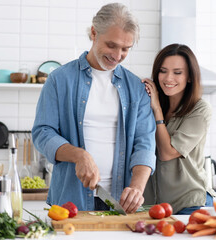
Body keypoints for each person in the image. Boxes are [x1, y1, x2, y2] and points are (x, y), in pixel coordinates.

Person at [32, 3, 156, 213]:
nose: (117, 55)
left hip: (120, 204)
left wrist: (136, 187)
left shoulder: (136, 87)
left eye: (125, 49)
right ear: (93, 33)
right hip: (71, 202)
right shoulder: (59, 80)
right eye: (111, 45)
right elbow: (42, 133)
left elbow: (144, 143)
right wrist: (79, 155)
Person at [142, 43, 215, 215]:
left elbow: (167, 153)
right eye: (163, 70)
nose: (168, 78)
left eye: (177, 72)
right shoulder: (147, 105)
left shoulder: (200, 109)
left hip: (189, 203)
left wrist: (157, 110)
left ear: (189, 77)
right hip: (153, 207)